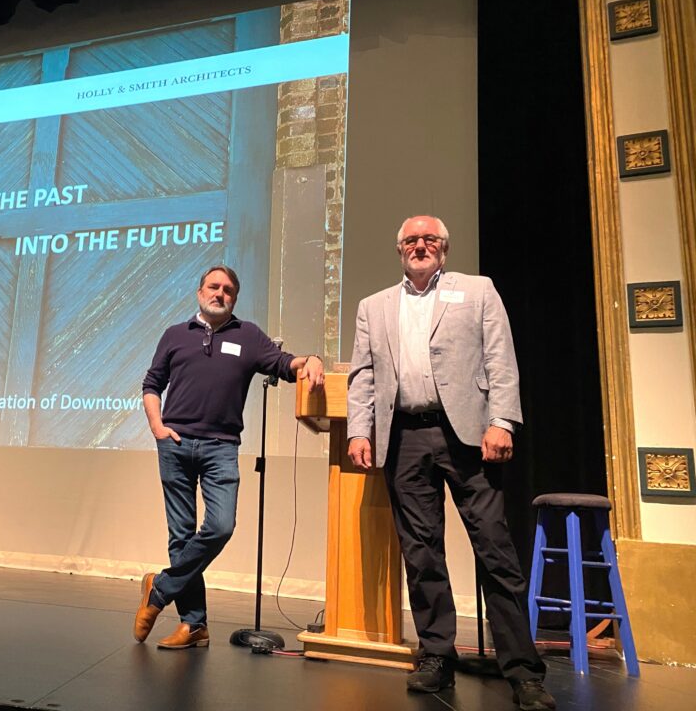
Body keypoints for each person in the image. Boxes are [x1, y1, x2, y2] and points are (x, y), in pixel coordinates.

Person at [346, 216, 555, 710]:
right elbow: (363, 375)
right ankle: (437, 654)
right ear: (399, 249)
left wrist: (502, 421)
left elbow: (500, 359)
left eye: (429, 239)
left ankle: (522, 670)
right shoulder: (374, 306)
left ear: (444, 248)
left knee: (495, 550)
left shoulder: (478, 290)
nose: (420, 245)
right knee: (420, 553)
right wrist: (359, 429)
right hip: (404, 436)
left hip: (468, 436)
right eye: (411, 240)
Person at [134, 264, 324, 649]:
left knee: (220, 526)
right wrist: (157, 426)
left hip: (221, 447)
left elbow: (284, 364)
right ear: (200, 291)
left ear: (234, 298)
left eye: (227, 290)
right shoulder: (175, 334)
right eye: (213, 286)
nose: (219, 293)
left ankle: (160, 588)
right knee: (181, 534)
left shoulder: (247, 335)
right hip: (174, 443)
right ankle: (194, 624)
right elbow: (152, 384)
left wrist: (312, 360)